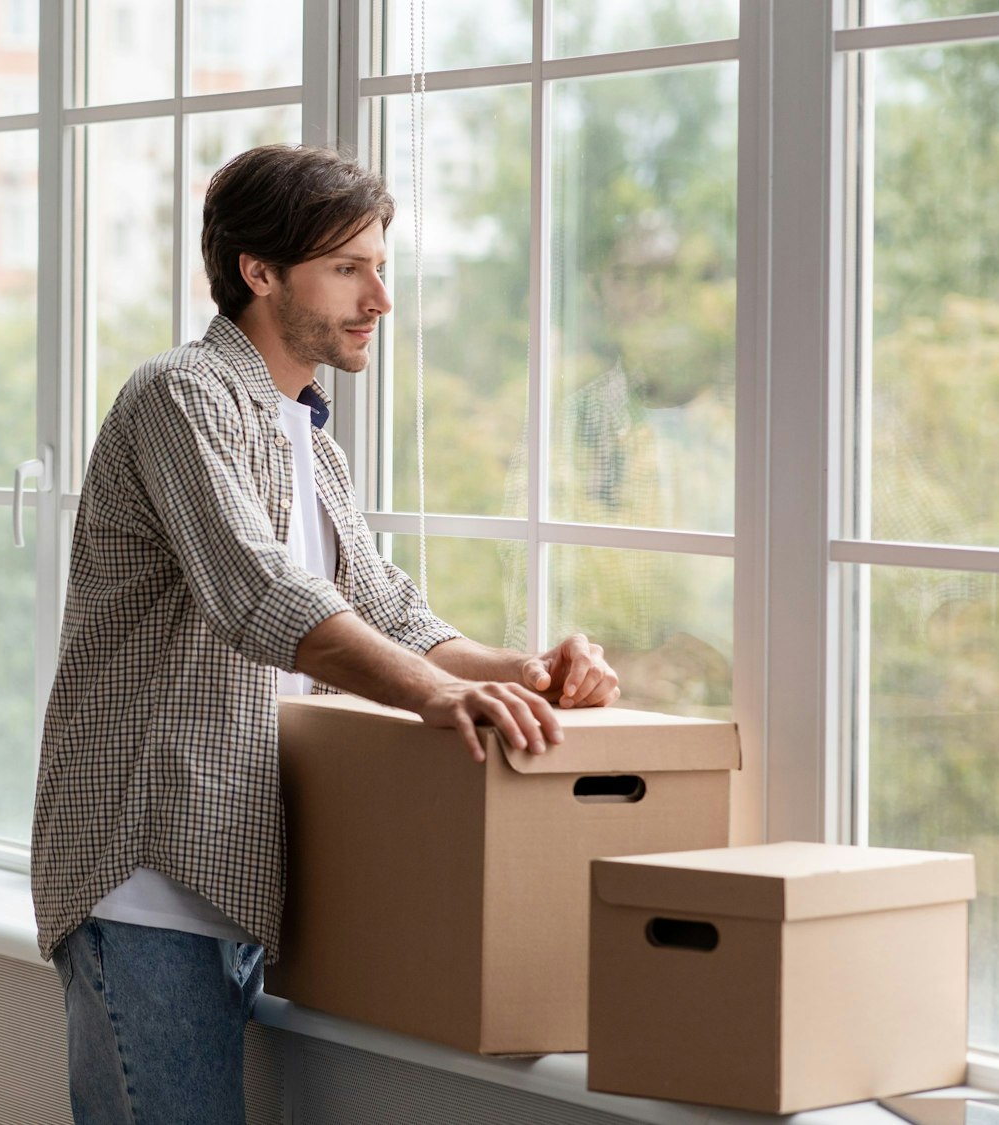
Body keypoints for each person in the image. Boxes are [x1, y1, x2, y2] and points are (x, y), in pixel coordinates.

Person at [31, 145, 622, 1124]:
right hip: (144, 880)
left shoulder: (305, 434)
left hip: (236, 870)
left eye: (379, 268)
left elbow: (387, 609)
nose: (377, 299)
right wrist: (437, 696)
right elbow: (259, 595)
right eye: (349, 268)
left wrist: (526, 674)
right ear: (257, 273)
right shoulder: (178, 397)